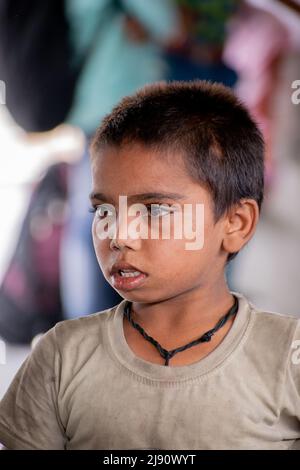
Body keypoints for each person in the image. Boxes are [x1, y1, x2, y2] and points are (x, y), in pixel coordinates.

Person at [0, 80, 299, 450]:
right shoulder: (62, 354)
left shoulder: (288, 356)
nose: (119, 235)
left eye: (155, 210)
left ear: (235, 224)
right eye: (103, 210)